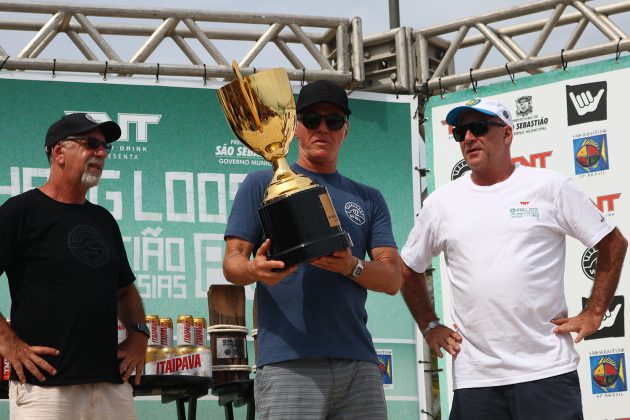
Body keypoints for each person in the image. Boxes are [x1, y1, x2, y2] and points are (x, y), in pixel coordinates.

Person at [400, 98, 628, 420]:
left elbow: (613, 243)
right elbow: (407, 268)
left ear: (506, 135)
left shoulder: (550, 187)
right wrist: (430, 326)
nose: (467, 138)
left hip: (546, 370)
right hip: (476, 378)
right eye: (460, 131)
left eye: (478, 128)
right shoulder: (441, 203)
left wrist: (594, 312)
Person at [223, 80, 402, 419]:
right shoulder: (261, 183)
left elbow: (393, 278)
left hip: (358, 362)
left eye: (333, 120)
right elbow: (232, 264)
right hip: (289, 361)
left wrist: (351, 266)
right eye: (311, 119)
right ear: (294, 129)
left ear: (345, 130)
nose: (323, 128)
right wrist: (256, 270)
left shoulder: (368, 198)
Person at [0, 113, 150, 420]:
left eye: (105, 147)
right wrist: (8, 342)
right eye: (91, 144)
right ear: (58, 153)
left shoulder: (103, 220)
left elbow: (124, 291)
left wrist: (139, 334)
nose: (102, 153)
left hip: (111, 387)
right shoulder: (20, 211)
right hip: (46, 391)